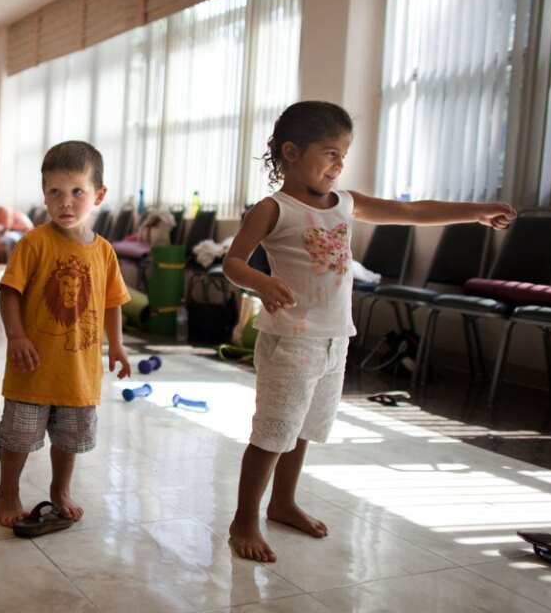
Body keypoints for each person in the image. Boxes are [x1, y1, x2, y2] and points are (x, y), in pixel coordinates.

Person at [221, 101, 517, 562]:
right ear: (292, 152)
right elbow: (233, 262)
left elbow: (411, 211)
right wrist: (261, 281)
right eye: (331, 153)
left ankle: (282, 503)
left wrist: (475, 212)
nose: (340, 165)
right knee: (273, 431)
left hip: (335, 338)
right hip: (292, 342)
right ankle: (244, 520)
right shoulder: (273, 209)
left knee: (302, 430)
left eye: (343, 154)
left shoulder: (346, 203)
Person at [0, 141, 131, 529]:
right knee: (19, 435)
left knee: (70, 438)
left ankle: (60, 489)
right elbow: (10, 292)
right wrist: (16, 336)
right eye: (55, 192)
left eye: (77, 192)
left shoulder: (104, 251)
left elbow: (111, 302)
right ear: (44, 195)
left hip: (78, 371)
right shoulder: (34, 242)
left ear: (99, 195)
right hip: (32, 368)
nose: (65, 202)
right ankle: (8, 492)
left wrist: (117, 345)